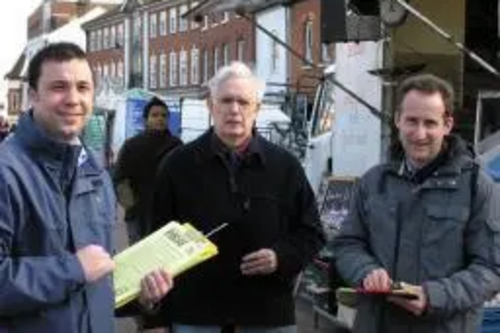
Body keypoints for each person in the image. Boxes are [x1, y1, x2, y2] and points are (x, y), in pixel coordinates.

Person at [0, 42, 172, 333]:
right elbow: (83, 269)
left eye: (83, 87)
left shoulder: (93, 170)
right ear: (33, 96)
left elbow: (97, 274)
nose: (73, 99)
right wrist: (73, 270)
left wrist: (141, 297)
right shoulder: (7, 171)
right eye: (58, 87)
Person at [151, 62, 326, 333]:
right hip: (196, 315)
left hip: (266, 315)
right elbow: (155, 242)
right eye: (226, 100)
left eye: (243, 102)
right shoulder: (177, 165)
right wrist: (156, 321)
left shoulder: (285, 167)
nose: (234, 109)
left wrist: (280, 257)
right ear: (211, 105)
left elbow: (312, 233)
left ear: (256, 109)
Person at [332, 73, 500, 333]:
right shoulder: (374, 182)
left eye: (430, 123)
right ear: (398, 119)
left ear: (447, 125)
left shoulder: (477, 187)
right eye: (411, 120)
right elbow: (347, 244)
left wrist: (434, 296)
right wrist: (366, 271)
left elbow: (490, 268)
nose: (419, 133)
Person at [114, 96, 182, 244]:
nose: (160, 119)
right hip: (139, 216)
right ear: (146, 119)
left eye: (164, 115)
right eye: (155, 115)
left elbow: (184, 181)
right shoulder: (131, 146)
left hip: (168, 216)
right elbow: (120, 179)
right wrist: (132, 207)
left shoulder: (177, 146)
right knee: (140, 260)